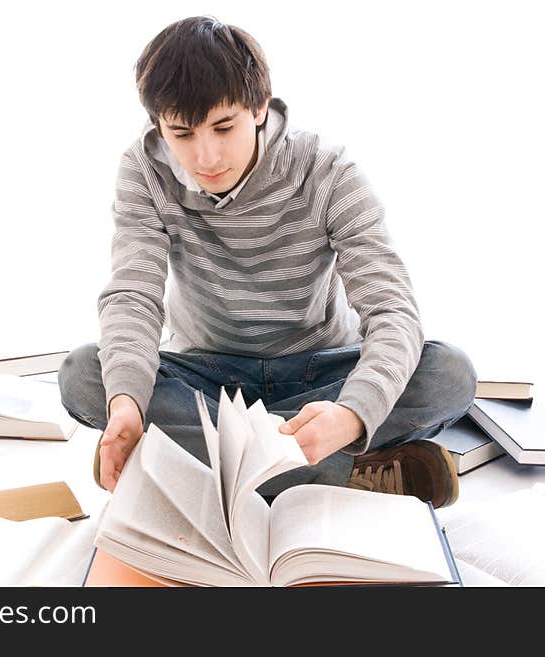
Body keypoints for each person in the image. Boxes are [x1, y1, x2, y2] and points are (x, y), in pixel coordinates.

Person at [59, 16, 476, 508]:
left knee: (449, 373)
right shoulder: (143, 171)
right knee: (87, 374)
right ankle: (339, 473)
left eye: (223, 126)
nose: (206, 156)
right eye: (183, 133)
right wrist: (127, 404)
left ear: (258, 108)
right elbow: (134, 293)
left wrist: (349, 415)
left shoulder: (327, 171)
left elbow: (392, 310)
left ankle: (196, 461)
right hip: (208, 371)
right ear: (158, 125)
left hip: (318, 370)